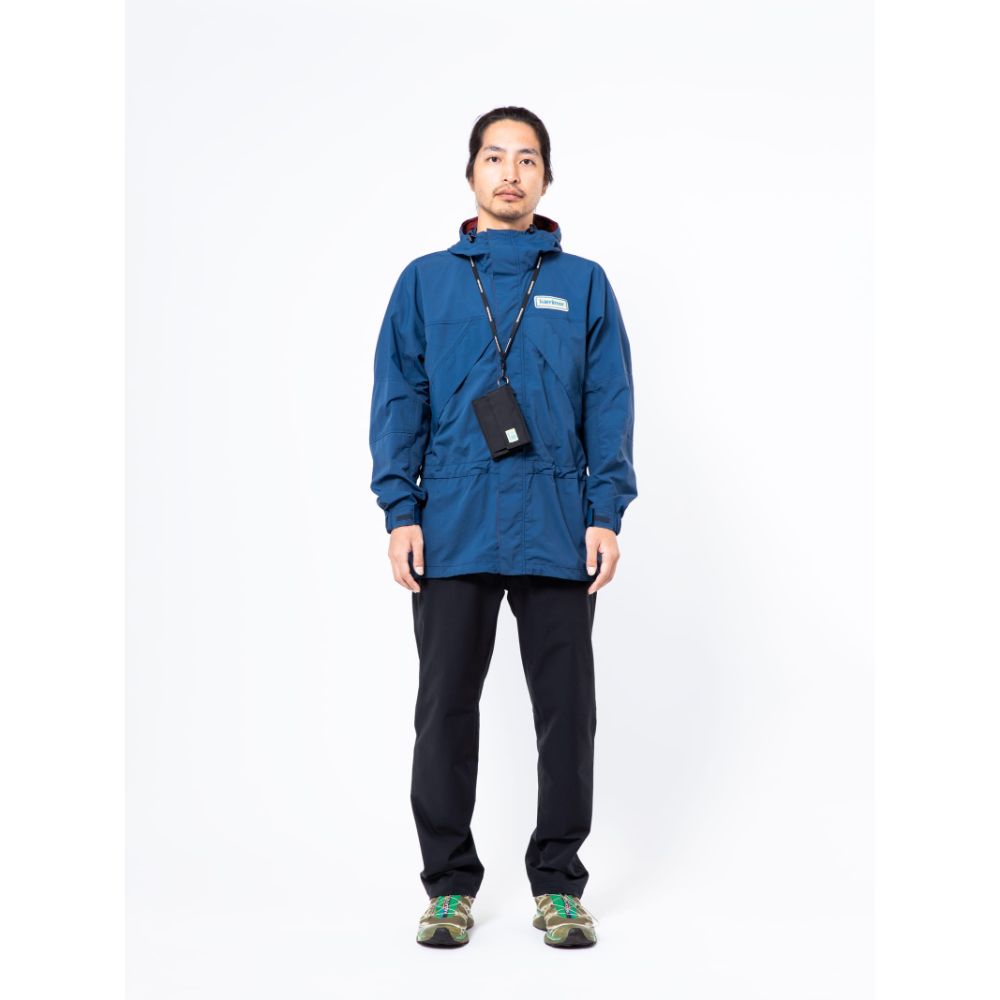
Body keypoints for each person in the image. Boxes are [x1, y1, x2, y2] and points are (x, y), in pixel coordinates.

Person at [368, 106, 638, 948]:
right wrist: (401, 512)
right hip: (452, 523)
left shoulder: (584, 283)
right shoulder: (425, 282)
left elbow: (609, 401)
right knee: (445, 708)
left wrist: (605, 513)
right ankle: (449, 887)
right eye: (495, 157)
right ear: (471, 174)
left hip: (558, 523)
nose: (510, 173)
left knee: (567, 712)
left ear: (547, 178)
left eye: (527, 159)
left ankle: (558, 884)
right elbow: (399, 398)